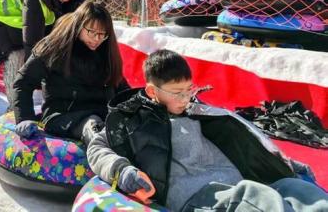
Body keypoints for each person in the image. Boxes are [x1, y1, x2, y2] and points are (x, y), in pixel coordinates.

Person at [87, 49, 327, 212]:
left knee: (298, 190)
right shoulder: (131, 119)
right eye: (177, 92)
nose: (185, 98)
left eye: (189, 90)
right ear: (152, 91)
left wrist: (284, 163)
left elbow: (245, 138)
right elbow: (98, 147)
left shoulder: (195, 109)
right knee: (255, 199)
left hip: (236, 180)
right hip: (197, 194)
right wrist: (125, 172)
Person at [11, 1, 128, 146]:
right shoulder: (54, 48)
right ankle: (112, 163)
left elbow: (122, 90)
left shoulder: (105, 52)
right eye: (92, 32)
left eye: (103, 35)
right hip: (62, 116)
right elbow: (23, 82)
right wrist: (24, 118)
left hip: (102, 114)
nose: (97, 39)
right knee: (93, 125)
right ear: (79, 26)